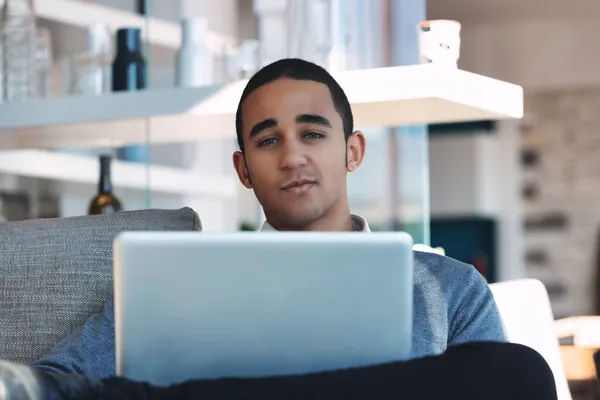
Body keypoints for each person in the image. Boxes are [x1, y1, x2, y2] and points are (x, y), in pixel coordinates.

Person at [0, 58, 557, 399]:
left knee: (521, 372)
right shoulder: (179, 282)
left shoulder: (450, 290)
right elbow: (54, 381)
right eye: (268, 141)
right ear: (243, 169)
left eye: (312, 134)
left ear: (352, 150)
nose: (291, 157)